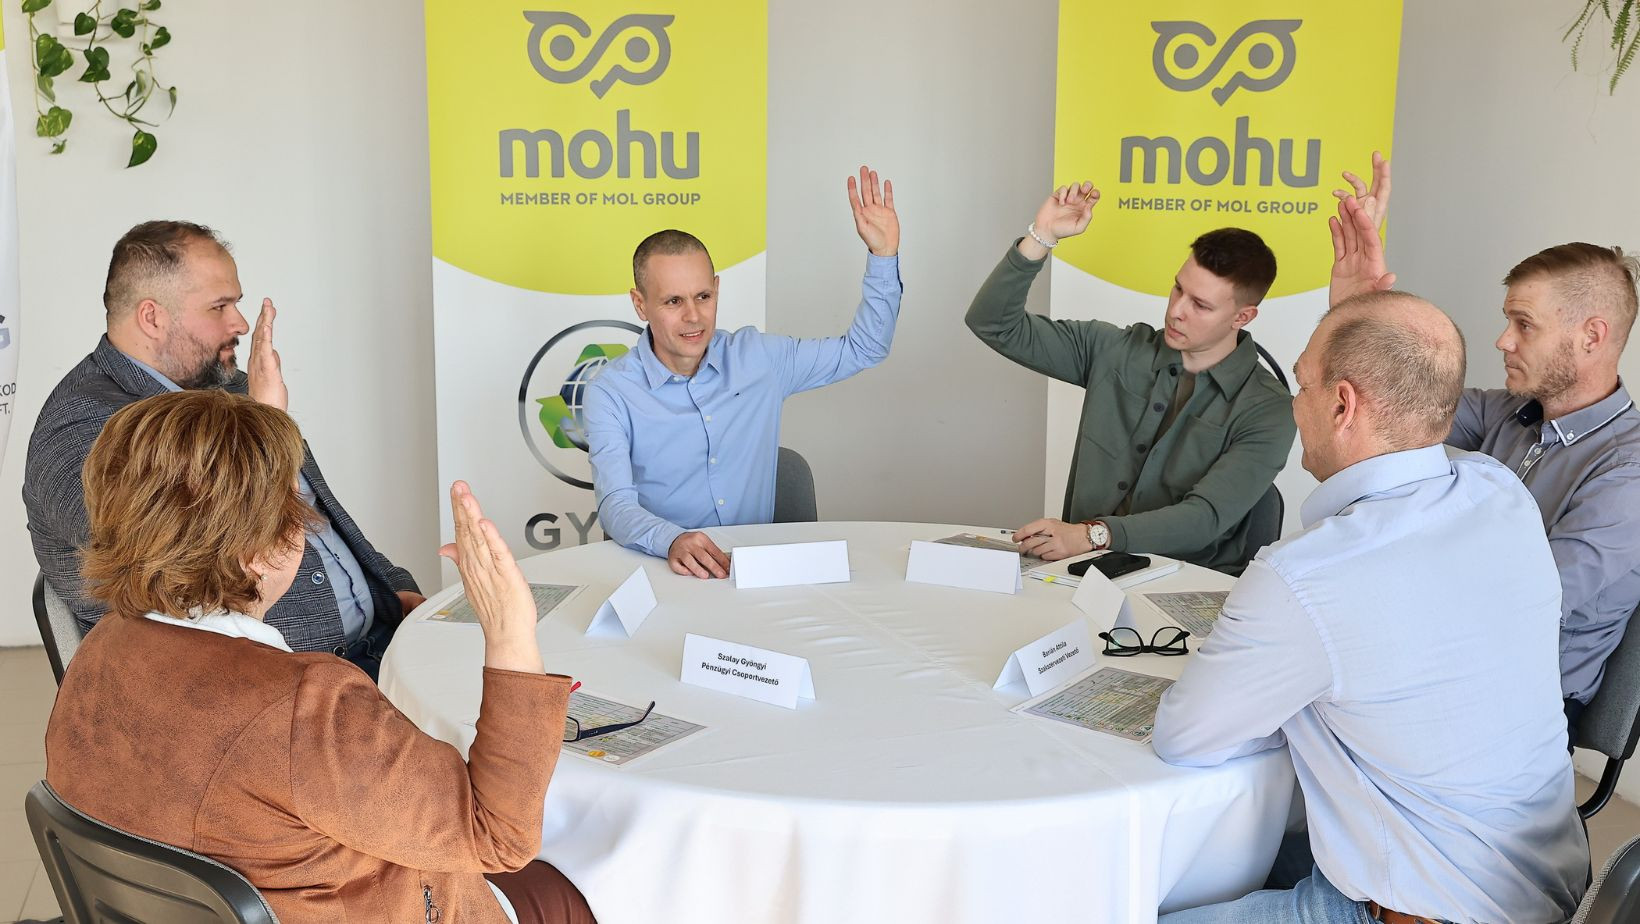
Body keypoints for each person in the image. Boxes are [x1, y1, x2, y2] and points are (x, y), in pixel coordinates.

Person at [1153, 206, 1587, 923]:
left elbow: (1184, 738)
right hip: (1537, 884)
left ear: (1342, 405)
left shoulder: (1305, 576)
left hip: (1414, 909)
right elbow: (1407, 393)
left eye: (1302, 385)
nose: (1294, 406)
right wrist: (1357, 314)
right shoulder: (1499, 493)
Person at [45, 389, 595, 924]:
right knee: (590, 881)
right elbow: (499, 835)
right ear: (254, 553)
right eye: (295, 508)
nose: (307, 525)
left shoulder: (101, 650)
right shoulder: (305, 710)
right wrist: (509, 631)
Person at [23, 220, 422, 678]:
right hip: (266, 684)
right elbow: (191, 579)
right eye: (220, 306)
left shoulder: (226, 387)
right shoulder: (82, 430)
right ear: (152, 317)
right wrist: (267, 424)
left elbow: (320, 519)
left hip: (373, 646)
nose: (241, 324)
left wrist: (394, 591)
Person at [1331, 157, 1640, 736]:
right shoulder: (1511, 412)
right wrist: (1356, 307)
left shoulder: (1628, 471)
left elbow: (1520, 597)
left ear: (1591, 336)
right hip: (1447, 664)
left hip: (1519, 704)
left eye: (1524, 324)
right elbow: (1390, 397)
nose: (1503, 340)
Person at [585, 166, 902, 579]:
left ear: (716, 289)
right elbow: (616, 504)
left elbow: (864, 348)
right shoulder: (611, 392)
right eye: (673, 302)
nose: (693, 316)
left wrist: (883, 257)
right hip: (665, 569)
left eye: (703, 296)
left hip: (756, 574)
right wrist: (671, 540)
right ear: (640, 304)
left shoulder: (759, 359)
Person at [965, 182, 1293, 574]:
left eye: (1200, 305)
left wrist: (1091, 535)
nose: (1176, 311)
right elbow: (993, 324)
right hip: (1080, 573)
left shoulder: (1269, 409)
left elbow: (1203, 519)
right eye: (1178, 288)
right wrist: (1042, 236)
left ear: (1242, 317)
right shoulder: (1114, 349)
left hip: (1184, 584)